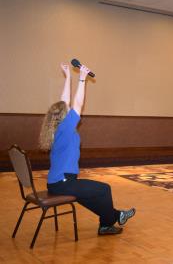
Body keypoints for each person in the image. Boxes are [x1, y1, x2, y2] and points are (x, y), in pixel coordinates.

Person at [39, 63, 135, 235]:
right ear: (64, 116)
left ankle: (114, 217)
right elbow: (77, 104)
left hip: (58, 182)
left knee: (90, 195)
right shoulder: (66, 128)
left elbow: (65, 102)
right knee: (104, 189)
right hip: (64, 183)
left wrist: (68, 76)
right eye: (67, 110)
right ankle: (107, 224)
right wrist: (82, 78)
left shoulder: (57, 127)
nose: (69, 110)